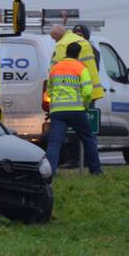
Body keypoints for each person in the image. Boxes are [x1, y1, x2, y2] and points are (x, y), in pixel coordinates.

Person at [46, 41, 102, 175]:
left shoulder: (55, 68)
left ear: (66, 53)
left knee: (54, 143)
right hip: (76, 110)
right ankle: (95, 170)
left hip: (58, 112)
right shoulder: (81, 68)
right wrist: (85, 104)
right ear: (78, 54)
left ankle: (49, 172)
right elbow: (88, 91)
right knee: (88, 139)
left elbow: (49, 91)